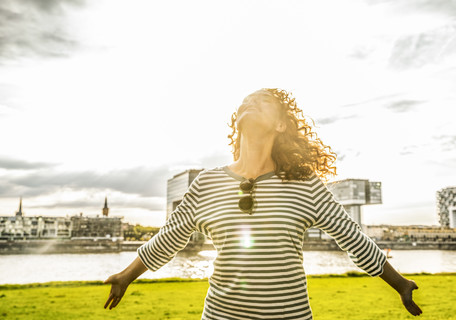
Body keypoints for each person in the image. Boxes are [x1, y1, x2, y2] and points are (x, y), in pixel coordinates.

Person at [104, 88, 423, 319]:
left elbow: (352, 238)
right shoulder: (206, 183)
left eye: (263, 102)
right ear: (236, 120)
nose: (251, 102)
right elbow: (169, 238)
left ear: (281, 125)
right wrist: (126, 276)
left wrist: (400, 283)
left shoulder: (306, 185)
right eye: (247, 100)